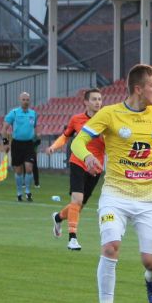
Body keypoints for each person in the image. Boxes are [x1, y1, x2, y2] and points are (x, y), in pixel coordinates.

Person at [70, 64, 152, 303]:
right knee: (110, 247)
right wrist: (87, 156)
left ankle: (151, 277)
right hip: (115, 196)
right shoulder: (110, 114)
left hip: (149, 200)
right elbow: (78, 141)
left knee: (150, 261)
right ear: (138, 89)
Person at [46, 88, 105, 251]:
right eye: (94, 99)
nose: (97, 102)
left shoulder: (106, 121)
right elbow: (65, 136)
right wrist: (53, 147)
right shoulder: (76, 119)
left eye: (99, 99)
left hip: (95, 167)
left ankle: (58, 218)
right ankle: (72, 239)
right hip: (78, 162)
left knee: (79, 206)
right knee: (77, 200)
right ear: (86, 102)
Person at [3, 91, 40, 201]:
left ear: (30, 101)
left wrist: (37, 137)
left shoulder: (33, 114)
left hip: (29, 144)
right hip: (17, 144)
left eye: (27, 100)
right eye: (23, 100)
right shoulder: (14, 113)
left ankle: (28, 191)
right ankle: (19, 193)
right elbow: (4, 128)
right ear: (20, 100)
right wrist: (5, 143)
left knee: (29, 168)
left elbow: (35, 127)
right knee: (18, 171)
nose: (25, 102)